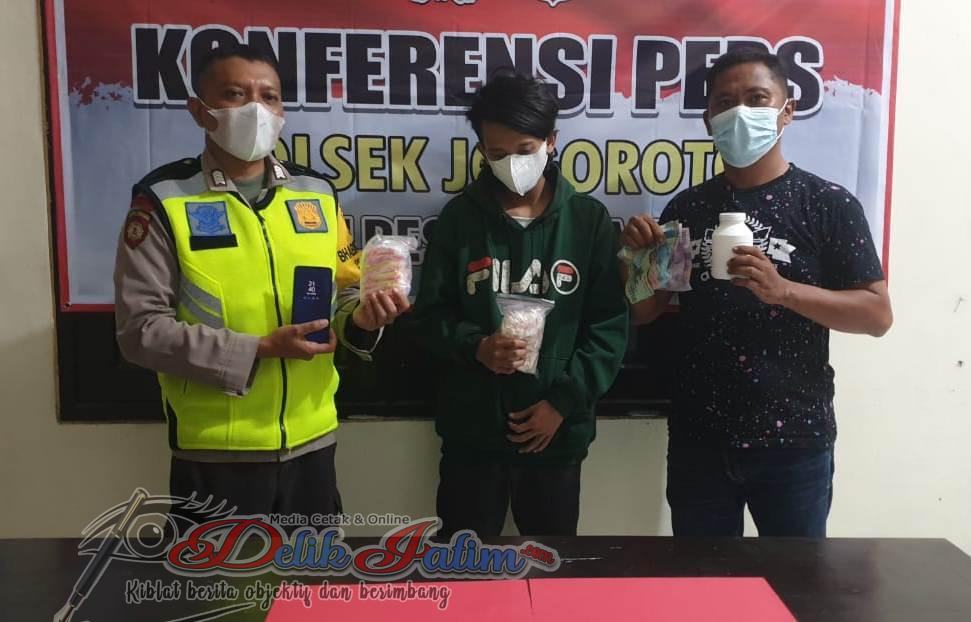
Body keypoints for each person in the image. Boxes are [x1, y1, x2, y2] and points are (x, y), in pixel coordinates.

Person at [114, 44, 409, 519]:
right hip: (215, 453)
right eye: (235, 94)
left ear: (282, 111)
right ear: (200, 111)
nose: (256, 109)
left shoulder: (317, 193)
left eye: (268, 96)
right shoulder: (164, 201)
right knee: (221, 573)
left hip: (313, 444)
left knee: (311, 571)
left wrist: (363, 319)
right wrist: (260, 349)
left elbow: (346, 292)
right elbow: (140, 331)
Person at [622, 48, 893, 537]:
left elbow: (877, 316)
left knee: (796, 581)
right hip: (700, 438)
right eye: (725, 102)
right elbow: (647, 311)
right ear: (709, 119)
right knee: (702, 579)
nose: (740, 113)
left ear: (787, 111)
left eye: (756, 98)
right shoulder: (687, 208)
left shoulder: (827, 205)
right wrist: (638, 261)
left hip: (794, 439)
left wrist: (784, 291)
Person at [410, 72, 629, 537]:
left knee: (551, 567)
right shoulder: (459, 219)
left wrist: (562, 402)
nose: (512, 164)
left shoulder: (587, 221)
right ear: (481, 151)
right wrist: (476, 347)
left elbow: (609, 327)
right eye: (497, 153)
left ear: (551, 141)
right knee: (461, 566)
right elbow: (429, 317)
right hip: (472, 438)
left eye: (525, 149)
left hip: (556, 438)